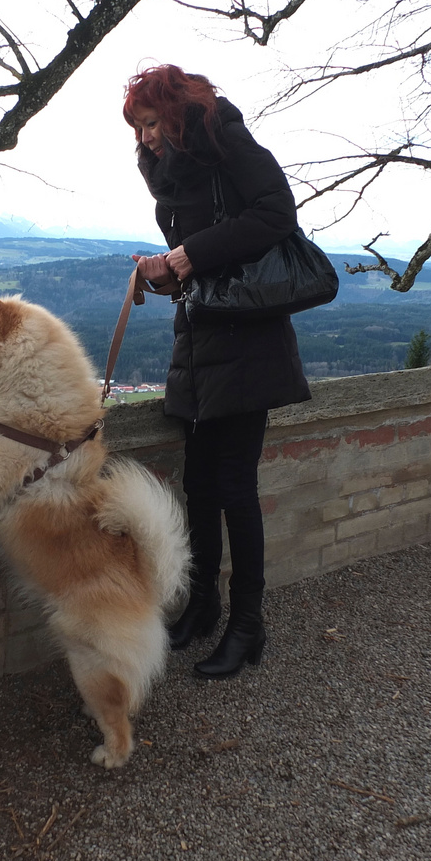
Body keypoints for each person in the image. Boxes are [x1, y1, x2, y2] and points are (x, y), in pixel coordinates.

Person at [123, 64, 311, 679]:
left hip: (250, 336)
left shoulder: (227, 137)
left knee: (233, 489)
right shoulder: (172, 172)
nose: (145, 138)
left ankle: (248, 625)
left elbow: (276, 213)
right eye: (139, 128)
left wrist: (192, 254)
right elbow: (202, 252)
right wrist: (167, 270)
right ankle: (202, 605)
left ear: (175, 113)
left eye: (151, 123)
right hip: (201, 334)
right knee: (199, 486)